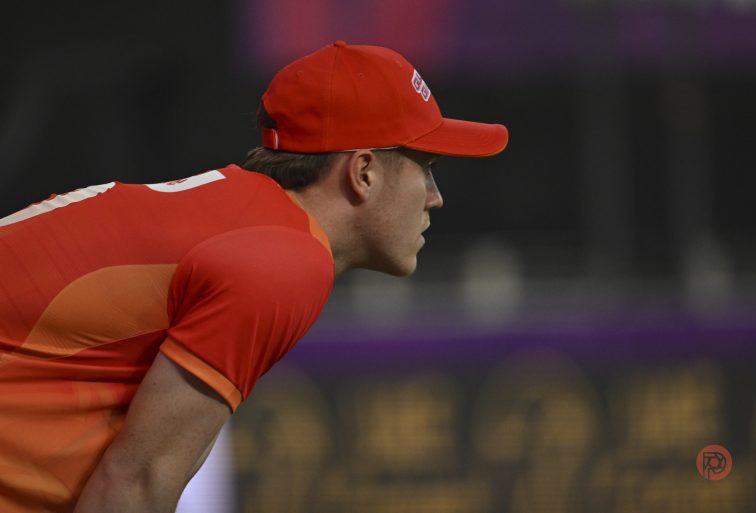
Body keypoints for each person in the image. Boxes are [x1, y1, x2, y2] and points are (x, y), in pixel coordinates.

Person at [0, 40, 507, 512]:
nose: (436, 197)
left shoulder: (247, 218)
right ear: (365, 171)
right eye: (427, 167)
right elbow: (135, 485)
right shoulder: (283, 260)